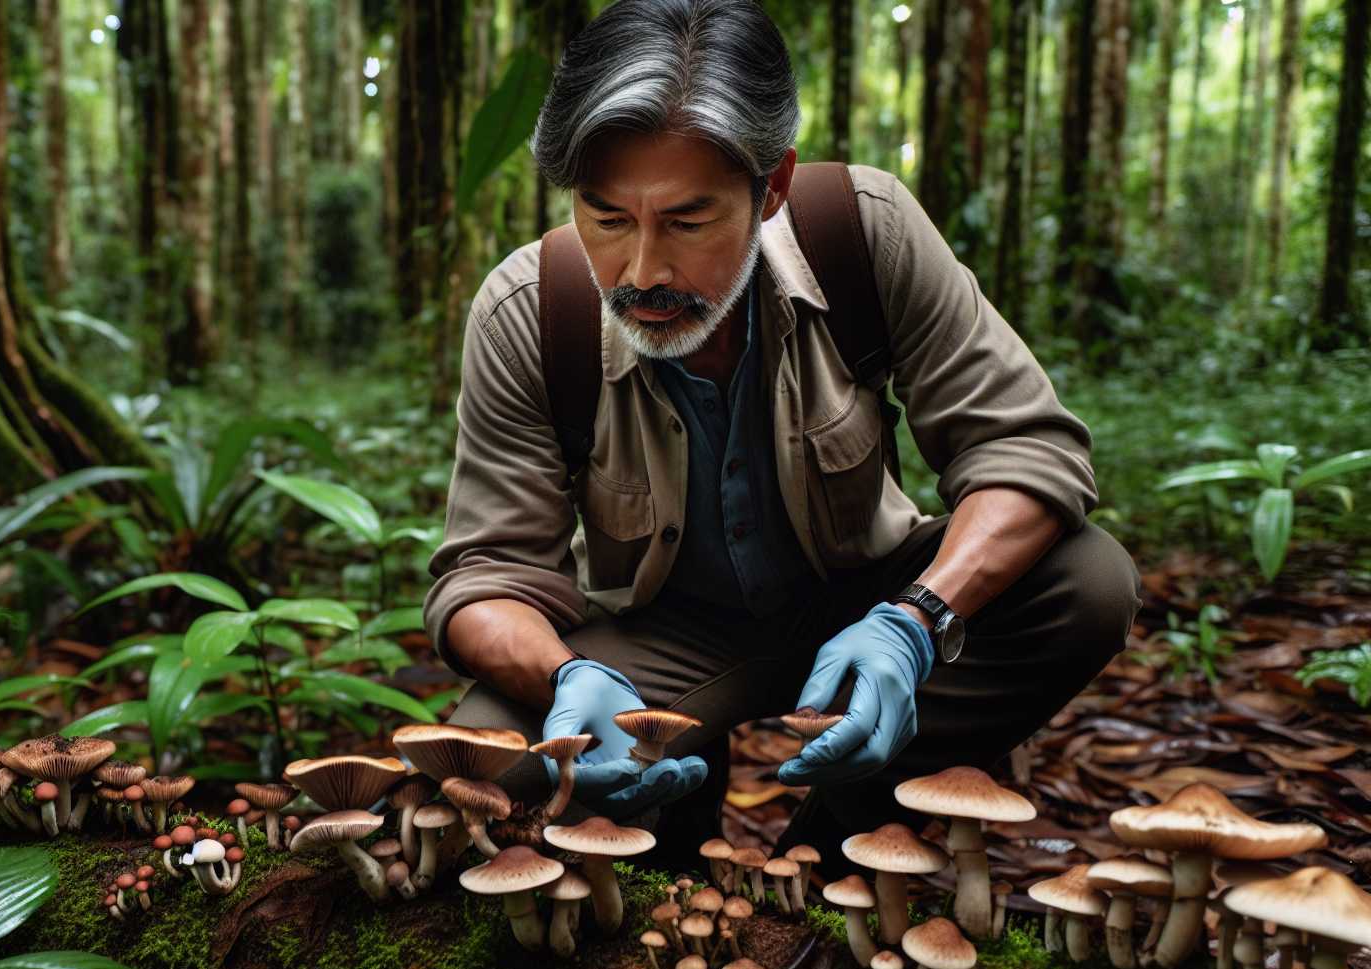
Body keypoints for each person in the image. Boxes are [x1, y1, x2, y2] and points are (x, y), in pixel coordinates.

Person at [421, 0, 1142, 879]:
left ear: (772, 187)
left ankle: (846, 834)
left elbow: (1027, 451)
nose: (643, 270)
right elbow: (484, 579)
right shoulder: (530, 311)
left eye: (687, 221)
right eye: (607, 219)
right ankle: (667, 853)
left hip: (862, 593)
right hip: (665, 633)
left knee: (1086, 582)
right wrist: (566, 681)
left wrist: (918, 617)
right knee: (483, 739)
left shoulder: (863, 230)